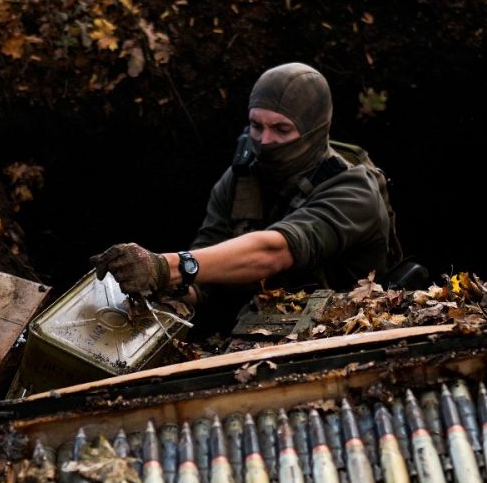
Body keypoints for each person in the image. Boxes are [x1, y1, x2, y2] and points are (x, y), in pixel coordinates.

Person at [90, 63, 394, 313]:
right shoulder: (241, 178)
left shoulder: (353, 189)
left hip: (343, 327)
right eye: (256, 125)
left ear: (314, 130)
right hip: (258, 327)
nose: (264, 140)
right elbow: (206, 273)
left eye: (281, 129)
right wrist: (171, 295)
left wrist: (165, 266)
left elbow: (276, 250)